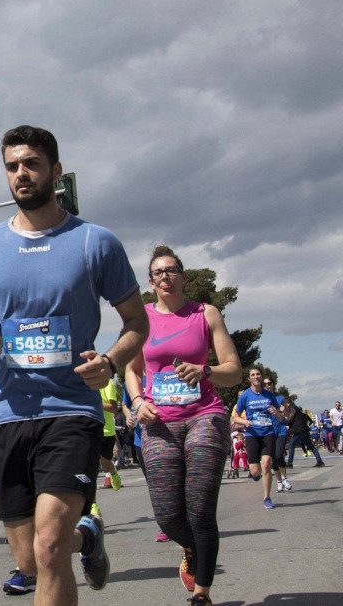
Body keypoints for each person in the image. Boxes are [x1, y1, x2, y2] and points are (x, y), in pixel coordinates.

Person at [0, 126, 149, 604]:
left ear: (55, 172)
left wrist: (110, 360)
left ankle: (74, 539)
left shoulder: (94, 242)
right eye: (12, 165)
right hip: (7, 414)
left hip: (71, 410)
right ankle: (91, 538)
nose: (21, 173)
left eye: (32, 164)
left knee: (48, 547)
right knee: (29, 561)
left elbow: (136, 323)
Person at [126, 244, 242, 606]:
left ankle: (202, 593)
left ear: (183, 276)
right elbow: (130, 370)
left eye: (171, 270)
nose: (165, 276)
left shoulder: (206, 314)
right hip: (159, 423)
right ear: (150, 280)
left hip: (204, 414)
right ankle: (191, 546)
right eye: (158, 272)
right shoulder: (140, 319)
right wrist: (137, 401)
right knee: (168, 516)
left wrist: (204, 369)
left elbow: (233, 370)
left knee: (201, 509)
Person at [230, 368, 283, 507]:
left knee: (266, 464)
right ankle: (255, 474)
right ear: (249, 379)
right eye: (253, 375)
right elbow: (234, 417)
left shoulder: (269, 395)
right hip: (252, 434)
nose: (256, 376)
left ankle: (267, 497)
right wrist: (244, 422)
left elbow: (281, 417)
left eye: (258, 374)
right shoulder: (245, 396)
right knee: (255, 470)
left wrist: (276, 412)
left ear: (261, 377)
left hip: (268, 433)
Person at [264, 377, 292, 494]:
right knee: (273, 459)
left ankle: (285, 478)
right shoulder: (263, 399)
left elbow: (288, 414)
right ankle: (279, 481)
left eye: (269, 383)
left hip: (280, 430)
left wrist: (283, 410)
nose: (267, 386)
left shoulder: (280, 398)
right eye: (265, 384)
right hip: (269, 431)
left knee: (279, 455)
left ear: (273, 385)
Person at [98, 378, 123, 491]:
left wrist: (94, 402)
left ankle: (113, 472)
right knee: (89, 464)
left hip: (106, 430)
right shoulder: (81, 381)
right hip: (88, 428)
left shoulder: (106, 383)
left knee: (105, 466)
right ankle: (92, 504)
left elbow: (114, 408)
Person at [284, 397, 323, 469]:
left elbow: (290, 419)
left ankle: (290, 463)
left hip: (299, 431)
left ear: (286, 403)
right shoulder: (296, 408)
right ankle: (319, 460)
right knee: (311, 446)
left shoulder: (292, 408)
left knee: (291, 446)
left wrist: (283, 422)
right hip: (304, 430)